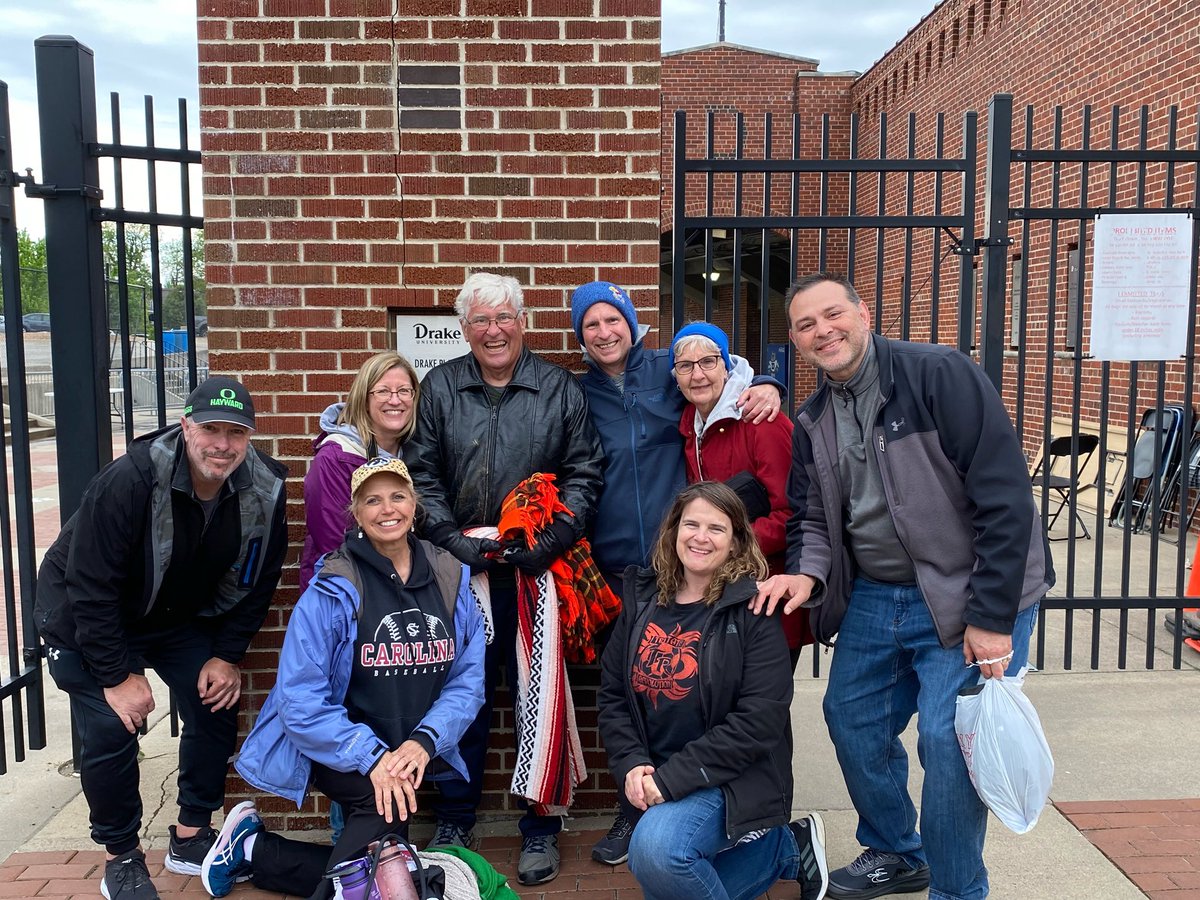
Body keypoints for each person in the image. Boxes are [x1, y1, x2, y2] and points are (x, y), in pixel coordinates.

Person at [753, 273, 1054, 900]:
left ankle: (957, 888)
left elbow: (1004, 498)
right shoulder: (813, 420)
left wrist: (992, 616)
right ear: (795, 340)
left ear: (864, 314)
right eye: (807, 325)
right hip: (877, 593)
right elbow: (812, 518)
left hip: (967, 593)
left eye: (834, 314)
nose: (823, 331)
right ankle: (896, 850)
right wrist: (808, 573)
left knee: (948, 743)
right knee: (850, 717)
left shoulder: (938, 374)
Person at [34, 376, 288, 900]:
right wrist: (115, 675)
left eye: (236, 432)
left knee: (214, 699)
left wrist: (225, 654)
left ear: (249, 437)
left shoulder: (264, 489)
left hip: (168, 617)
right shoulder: (129, 480)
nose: (222, 443)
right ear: (186, 426)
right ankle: (121, 856)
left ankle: (192, 835)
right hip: (82, 617)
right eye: (211, 429)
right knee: (110, 724)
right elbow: (89, 583)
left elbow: (259, 579)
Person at [198, 457, 485, 899]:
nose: (386, 509)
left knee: (388, 864)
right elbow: (300, 701)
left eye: (396, 496)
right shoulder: (333, 587)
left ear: (414, 503)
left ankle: (253, 850)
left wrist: (425, 742)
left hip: (408, 750)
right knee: (385, 826)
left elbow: (467, 681)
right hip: (338, 748)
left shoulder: (448, 577)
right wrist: (373, 759)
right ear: (354, 513)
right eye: (372, 500)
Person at [571, 280, 785, 866]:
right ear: (580, 336)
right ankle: (631, 806)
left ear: (633, 325)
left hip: (682, 560)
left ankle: (704, 808)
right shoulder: (576, 393)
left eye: (614, 319)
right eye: (591, 324)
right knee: (631, 688)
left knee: (695, 685)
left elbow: (726, 367)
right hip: (617, 566)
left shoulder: (667, 370)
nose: (605, 332)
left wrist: (770, 383)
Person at [405, 272, 604, 885]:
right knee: (460, 694)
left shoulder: (558, 389)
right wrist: (454, 542)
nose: (493, 331)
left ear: (522, 322)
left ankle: (541, 825)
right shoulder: (440, 388)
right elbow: (422, 473)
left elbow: (585, 472)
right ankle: (455, 819)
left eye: (504, 318)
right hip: (460, 568)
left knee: (536, 697)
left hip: (535, 568)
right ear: (464, 330)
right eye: (480, 321)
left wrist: (547, 544)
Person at [597, 481, 829, 900]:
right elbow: (613, 695)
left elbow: (759, 723)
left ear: (737, 541)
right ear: (673, 531)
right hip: (661, 777)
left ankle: (774, 842)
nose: (701, 537)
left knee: (653, 851)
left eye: (716, 528)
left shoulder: (755, 611)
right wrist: (631, 762)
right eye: (691, 524)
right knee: (664, 871)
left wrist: (670, 781)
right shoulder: (643, 600)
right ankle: (785, 849)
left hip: (729, 779)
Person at [670, 321, 813, 665]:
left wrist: (726, 546)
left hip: (768, 594)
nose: (698, 374)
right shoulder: (689, 424)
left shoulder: (762, 421)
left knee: (762, 709)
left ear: (727, 364)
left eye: (708, 361)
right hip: (721, 593)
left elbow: (794, 513)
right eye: (685, 366)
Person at [301, 350, 421, 592]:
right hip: (346, 592)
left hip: (402, 588)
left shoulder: (416, 453)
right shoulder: (335, 458)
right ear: (363, 398)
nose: (395, 400)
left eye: (404, 391)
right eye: (383, 391)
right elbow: (335, 545)